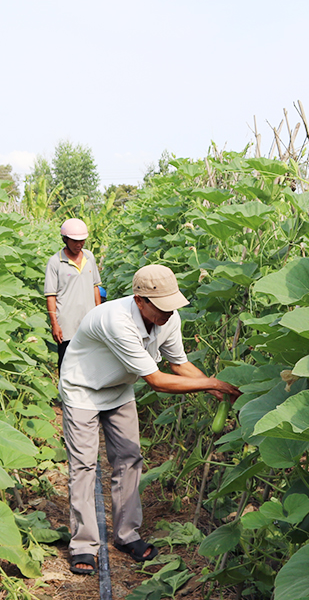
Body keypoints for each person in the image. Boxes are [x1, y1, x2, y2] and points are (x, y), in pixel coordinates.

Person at [58, 264, 240, 576]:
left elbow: (179, 365)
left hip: (118, 389)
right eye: (162, 306)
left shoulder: (168, 318)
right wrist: (212, 383)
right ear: (140, 300)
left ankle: (127, 535)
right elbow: (157, 380)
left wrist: (218, 388)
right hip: (83, 389)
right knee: (85, 466)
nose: (169, 313)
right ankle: (84, 545)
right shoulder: (117, 320)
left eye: (172, 305)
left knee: (129, 458)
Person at [44, 218, 101, 370]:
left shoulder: (89, 257)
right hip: (67, 323)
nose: (79, 244)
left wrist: (98, 312)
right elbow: (50, 295)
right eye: (75, 241)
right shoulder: (55, 262)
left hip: (88, 320)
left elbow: (95, 286)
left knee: (91, 360)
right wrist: (55, 324)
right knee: (66, 363)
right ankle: (65, 393)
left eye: (82, 241)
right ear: (65, 239)